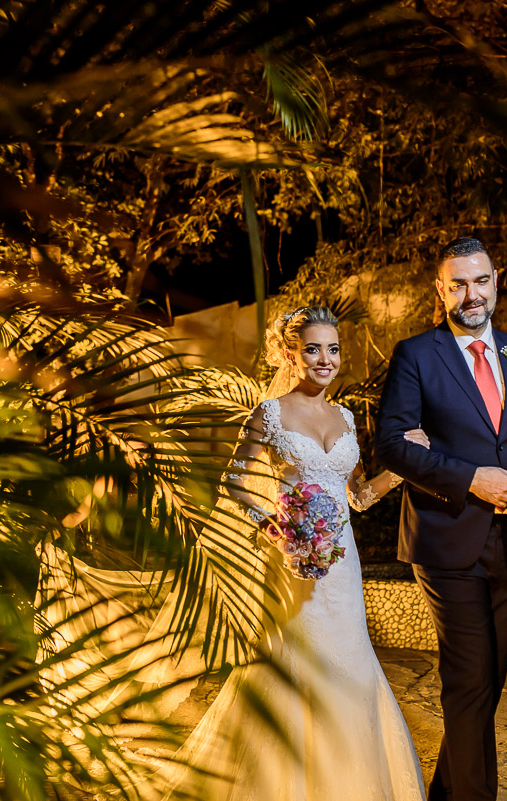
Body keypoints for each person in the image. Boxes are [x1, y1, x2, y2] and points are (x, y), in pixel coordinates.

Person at [167, 305, 431, 801]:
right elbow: (233, 483)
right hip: (292, 563)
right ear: (291, 355)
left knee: (351, 662)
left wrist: (403, 467)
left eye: (332, 349)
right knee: (298, 665)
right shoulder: (269, 413)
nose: (325, 359)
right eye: (313, 349)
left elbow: (358, 497)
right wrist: (276, 527)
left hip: (342, 564)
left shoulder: (345, 417)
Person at [375, 237, 507, 801]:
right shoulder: (417, 354)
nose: (471, 294)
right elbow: (391, 445)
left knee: (488, 683)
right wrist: (469, 478)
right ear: (440, 290)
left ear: (496, 282)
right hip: (445, 539)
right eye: (458, 284)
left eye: (480, 281)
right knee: (468, 680)